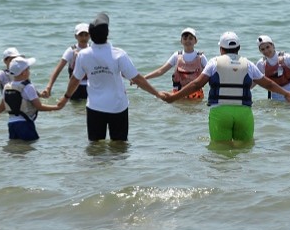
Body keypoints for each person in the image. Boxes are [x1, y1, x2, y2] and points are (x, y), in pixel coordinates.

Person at [162, 31, 290, 144]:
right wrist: (287, 94)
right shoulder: (248, 64)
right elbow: (269, 84)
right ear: (238, 48)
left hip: (220, 113)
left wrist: (174, 97)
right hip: (244, 113)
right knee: (244, 150)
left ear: (221, 49)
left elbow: (197, 84)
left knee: (220, 151)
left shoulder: (214, 63)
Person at [58, 13, 165, 142]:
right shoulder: (118, 54)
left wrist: (66, 97)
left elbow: (75, 80)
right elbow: (137, 79)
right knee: (119, 147)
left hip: (94, 108)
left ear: (90, 35)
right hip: (118, 107)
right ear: (107, 34)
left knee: (95, 148)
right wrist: (157, 93)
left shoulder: (83, 55)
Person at [0, 57, 62, 141]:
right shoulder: (28, 87)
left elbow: (3, 105)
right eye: (28, 69)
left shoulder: (7, 87)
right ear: (24, 73)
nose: (29, 71)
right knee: (29, 148)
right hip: (24, 124)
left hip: (11, 124)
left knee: (16, 150)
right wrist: (57, 107)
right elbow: (39, 106)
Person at [142, 27, 208, 100]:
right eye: (185, 38)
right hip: (178, 95)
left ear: (195, 41)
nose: (187, 41)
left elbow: (210, 74)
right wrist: (144, 78)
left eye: (190, 38)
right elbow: (161, 71)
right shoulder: (176, 56)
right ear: (181, 41)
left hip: (196, 95)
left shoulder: (201, 57)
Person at [40, 23, 90, 100]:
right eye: (81, 35)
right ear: (76, 36)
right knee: (76, 110)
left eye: (86, 35)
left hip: (90, 86)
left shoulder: (93, 50)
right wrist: (49, 87)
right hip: (75, 87)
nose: (84, 38)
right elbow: (58, 70)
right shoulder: (71, 51)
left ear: (90, 35)